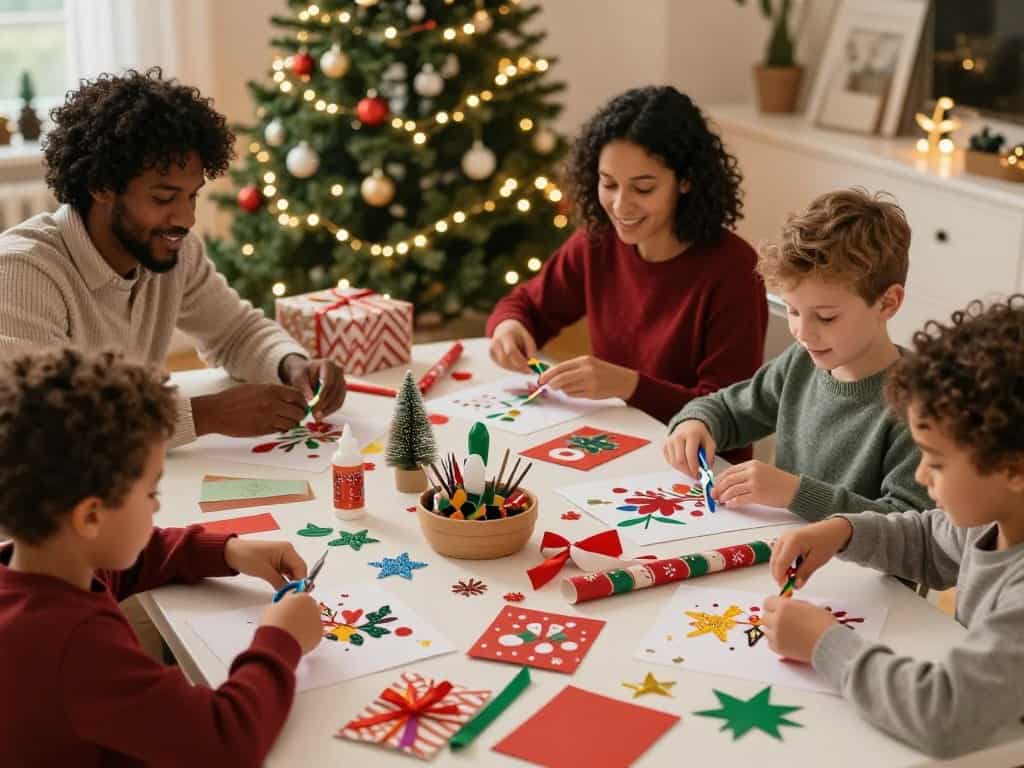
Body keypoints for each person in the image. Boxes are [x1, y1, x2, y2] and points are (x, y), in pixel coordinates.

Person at [0, 347, 324, 766]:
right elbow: (226, 741)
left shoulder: (40, 565)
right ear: (91, 515)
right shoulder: (77, 644)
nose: (156, 506)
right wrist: (282, 640)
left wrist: (226, 550)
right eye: (151, 491)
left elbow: (118, 562)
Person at [0, 68, 346, 447]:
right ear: (100, 186)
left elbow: (234, 332)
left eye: (192, 195)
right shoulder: (22, 271)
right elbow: (41, 424)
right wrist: (205, 414)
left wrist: (291, 364)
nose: (186, 219)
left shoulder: (172, 249)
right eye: (163, 198)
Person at [761, 296, 1024, 758]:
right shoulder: (996, 519)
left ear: (1013, 469)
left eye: (937, 463)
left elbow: (943, 713)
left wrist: (825, 643)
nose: (921, 477)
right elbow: (926, 539)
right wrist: (840, 531)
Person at [487, 86, 767, 460]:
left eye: (643, 188)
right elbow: (526, 306)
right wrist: (510, 328)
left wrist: (628, 385)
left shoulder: (732, 270)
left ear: (685, 181)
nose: (620, 205)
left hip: (700, 471)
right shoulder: (597, 243)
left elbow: (729, 411)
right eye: (609, 184)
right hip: (614, 445)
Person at [664, 188, 930, 518]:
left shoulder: (921, 403)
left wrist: (793, 492)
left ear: (887, 303)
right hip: (788, 554)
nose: (803, 333)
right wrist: (695, 423)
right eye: (792, 311)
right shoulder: (801, 363)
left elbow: (909, 528)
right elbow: (728, 410)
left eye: (826, 317)